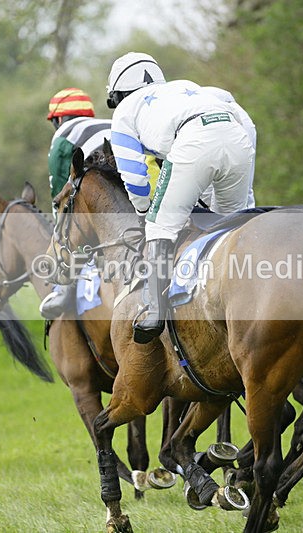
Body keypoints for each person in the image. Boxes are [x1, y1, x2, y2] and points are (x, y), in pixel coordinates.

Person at [106, 52, 255, 343]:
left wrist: (145, 210)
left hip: (193, 140)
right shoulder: (189, 87)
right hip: (237, 139)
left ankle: (154, 312)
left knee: (159, 225)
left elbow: (134, 177)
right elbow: (247, 124)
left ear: (119, 93)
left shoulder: (124, 111)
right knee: (229, 230)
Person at [41, 87, 160, 319]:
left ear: (57, 119)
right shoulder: (110, 123)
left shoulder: (62, 137)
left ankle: (64, 290)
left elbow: (60, 195)